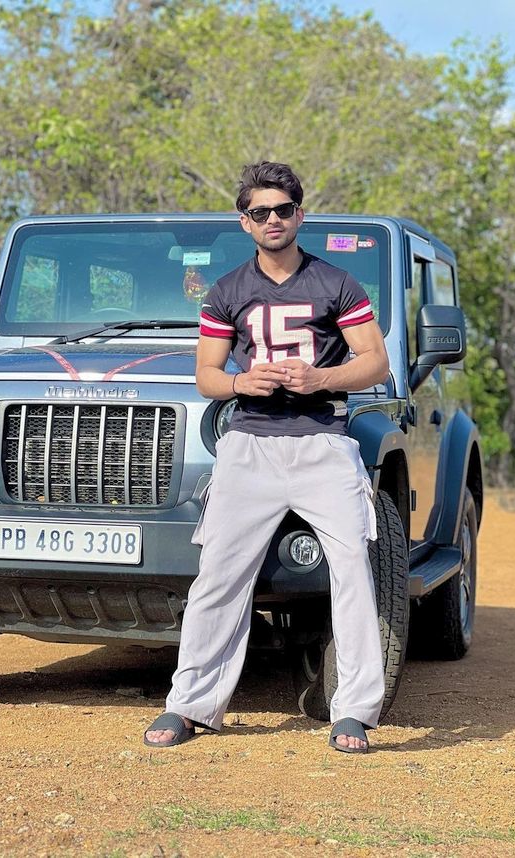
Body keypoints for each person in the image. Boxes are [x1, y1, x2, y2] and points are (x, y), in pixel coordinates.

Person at [144, 161, 389, 754]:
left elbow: (376, 363)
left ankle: (353, 709)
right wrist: (241, 384)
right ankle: (191, 705)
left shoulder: (337, 283)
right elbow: (206, 375)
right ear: (245, 222)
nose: (273, 220)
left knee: (352, 569)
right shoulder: (227, 291)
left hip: (323, 443)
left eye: (283, 210)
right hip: (249, 445)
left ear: (299, 216)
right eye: (261, 212)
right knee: (218, 577)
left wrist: (319, 376)